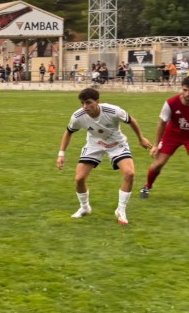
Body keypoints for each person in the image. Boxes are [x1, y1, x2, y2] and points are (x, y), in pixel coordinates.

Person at [56, 88, 153, 225]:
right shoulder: (78, 116)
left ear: (97, 102)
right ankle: (84, 207)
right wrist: (61, 154)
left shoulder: (113, 111)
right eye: (82, 103)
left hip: (117, 144)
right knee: (79, 178)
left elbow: (132, 121)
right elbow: (68, 132)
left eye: (88, 102)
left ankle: (121, 210)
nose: (85, 106)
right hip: (94, 144)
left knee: (129, 173)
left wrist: (141, 138)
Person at [141, 76, 189, 208]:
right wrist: (156, 145)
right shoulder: (171, 103)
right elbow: (161, 124)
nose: (187, 94)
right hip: (172, 135)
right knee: (158, 164)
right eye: (185, 90)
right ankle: (147, 186)